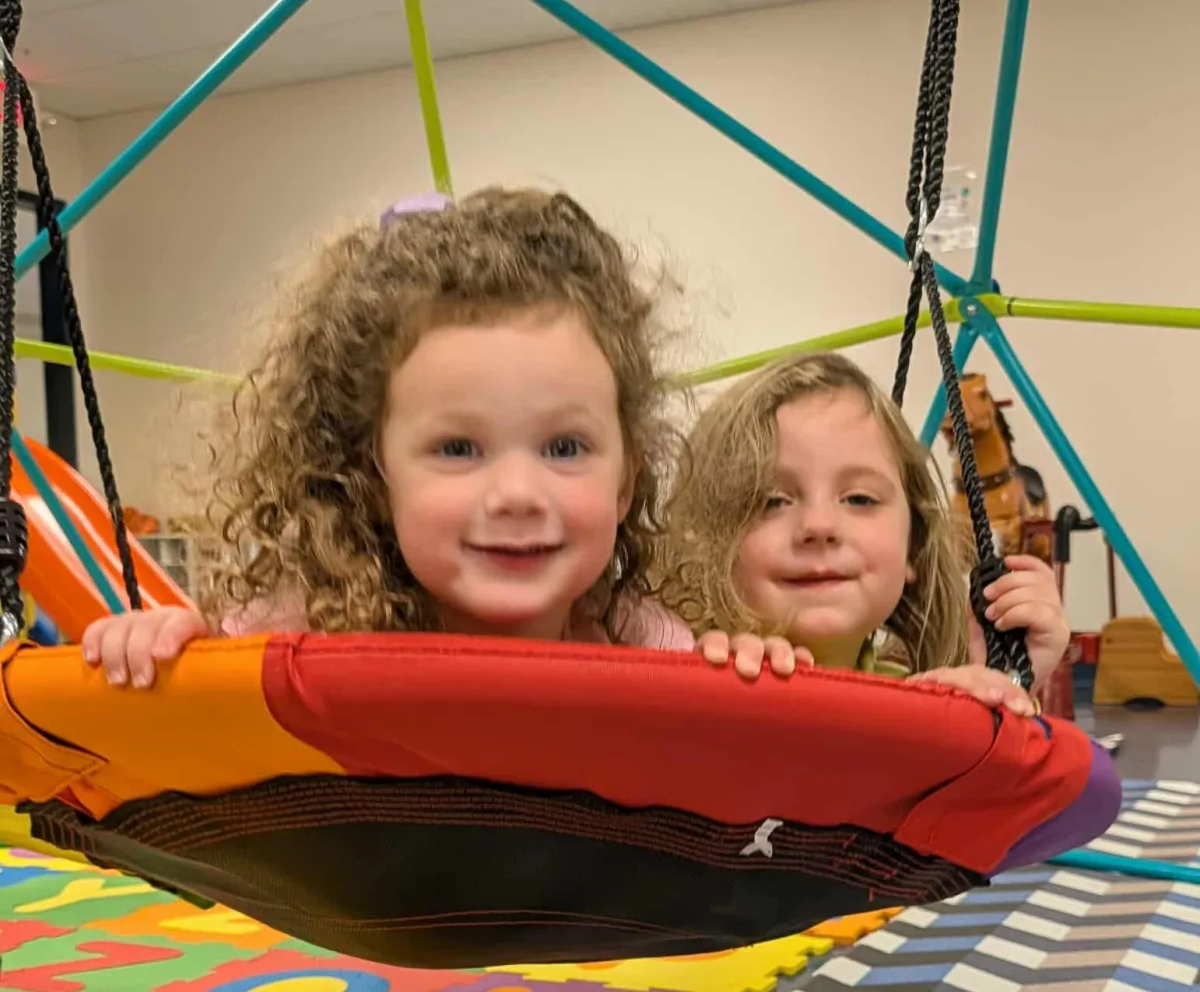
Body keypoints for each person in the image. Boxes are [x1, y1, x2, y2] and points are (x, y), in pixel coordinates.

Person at [82, 186, 692, 687]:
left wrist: (748, 664)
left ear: (624, 482)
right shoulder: (302, 635)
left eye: (564, 448)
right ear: (374, 479)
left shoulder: (646, 646)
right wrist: (161, 649)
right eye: (458, 449)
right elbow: (199, 704)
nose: (517, 493)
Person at [658, 350, 1069, 710]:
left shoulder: (928, 692)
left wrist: (1004, 681)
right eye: (772, 502)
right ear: (708, 542)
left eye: (859, 499)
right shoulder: (685, 679)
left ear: (914, 548)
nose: (818, 526)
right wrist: (717, 705)